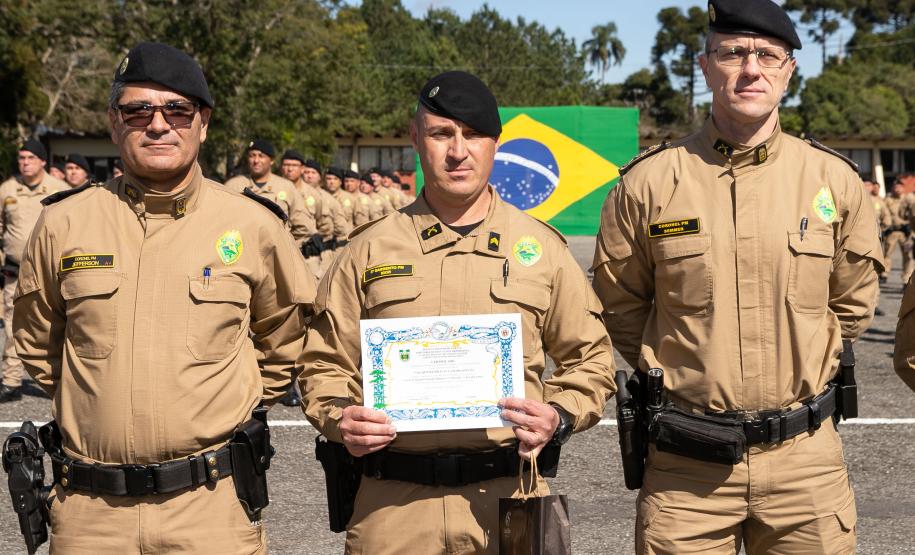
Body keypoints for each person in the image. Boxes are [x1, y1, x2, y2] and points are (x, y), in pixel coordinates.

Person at [591, 1, 883, 553]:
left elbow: (851, 305)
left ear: (788, 72)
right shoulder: (648, 185)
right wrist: (689, 375)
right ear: (706, 67)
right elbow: (620, 308)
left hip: (806, 466)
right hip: (688, 468)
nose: (751, 69)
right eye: (733, 53)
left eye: (768, 55)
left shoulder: (834, 181)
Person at [12, 41, 315, 552]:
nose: (158, 125)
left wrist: (219, 404)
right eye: (138, 111)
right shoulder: (63, 223)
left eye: (177, 110)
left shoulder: (253, 225)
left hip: (210, 507)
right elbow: (39, 342)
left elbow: (286, 338)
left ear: (203, 122)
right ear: (114, 122)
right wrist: (100, 402)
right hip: (91, 512)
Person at [300, 70, 615, 554]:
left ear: (496, 144)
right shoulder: (368, 250)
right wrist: (341, 417)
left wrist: (559, 414)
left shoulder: (542, 250)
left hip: (510, 496)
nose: (458, 151)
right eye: (441, 133)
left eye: (473, 134)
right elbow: (323, 364)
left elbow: (591, 360)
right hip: (392, 506)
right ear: (415, 138)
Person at [0, 139, 68, 403]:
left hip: (52, 271)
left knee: (57, 326)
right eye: (21, 158)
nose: (25, 162)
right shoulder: (7, 189)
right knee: (13, 326)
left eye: (30, 158)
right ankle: (11, 381)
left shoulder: (60, 189)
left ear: (42, 161)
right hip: (15, 271)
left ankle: (62, 382)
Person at [225, 139, 317, 249]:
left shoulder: (286, 187)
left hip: (275, 251)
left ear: (272, 160)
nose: (256, 160)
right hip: (242, 251)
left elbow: (303, 227)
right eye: (252, 155)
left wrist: (285, 246)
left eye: (261, 156)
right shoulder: (233, 185)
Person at [883, 179, 914, 284]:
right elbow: (884, 214)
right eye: (896, 187)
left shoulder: (908, 199)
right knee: (887, 253)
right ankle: (884, 273)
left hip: (906, 233)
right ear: (892, 188)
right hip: (892, 231)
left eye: (900, 187)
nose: (897, 189)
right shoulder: (888, 200)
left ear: (903, 188)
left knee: (908, 255)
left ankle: (906, 277)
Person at [323, 166, 355, 245]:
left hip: (345, 242)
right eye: (329, 179)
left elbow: (360, 223)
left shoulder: (350, 198)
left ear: (340, 182)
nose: (331, 182)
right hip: (325, 242)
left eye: (335, 179)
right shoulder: (320, 197)